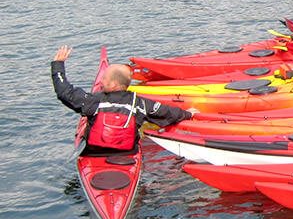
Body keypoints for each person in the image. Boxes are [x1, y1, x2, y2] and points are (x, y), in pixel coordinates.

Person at [51, 46, 195, 152]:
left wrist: (58, 65)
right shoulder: (140, 103)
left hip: (95, 155)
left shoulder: (93, 101)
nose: (101, 82)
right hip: (127, 155)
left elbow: (64, 92)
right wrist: (189, 114)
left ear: (113, 84)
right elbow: (167, 112)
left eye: (104, 79)